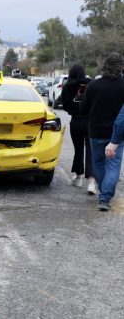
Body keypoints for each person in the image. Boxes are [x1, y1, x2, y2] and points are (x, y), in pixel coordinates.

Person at [81, 52, 124, 211]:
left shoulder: (93, 85)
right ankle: (105, 197)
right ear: (121, 67)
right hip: (117, 134)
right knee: (113, 165)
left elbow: (83, 108)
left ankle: (104, 193)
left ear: (104, 65)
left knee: (97, 162)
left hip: (96, 131)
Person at [61, 64, 97, 195]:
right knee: (91, 151)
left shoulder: (67, 86)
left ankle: (79, 177)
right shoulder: (91, 84)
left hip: (76, 121)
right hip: (90, 121)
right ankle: (92, 183)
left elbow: (64, 105)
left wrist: (74, 108)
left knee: (78, 150)